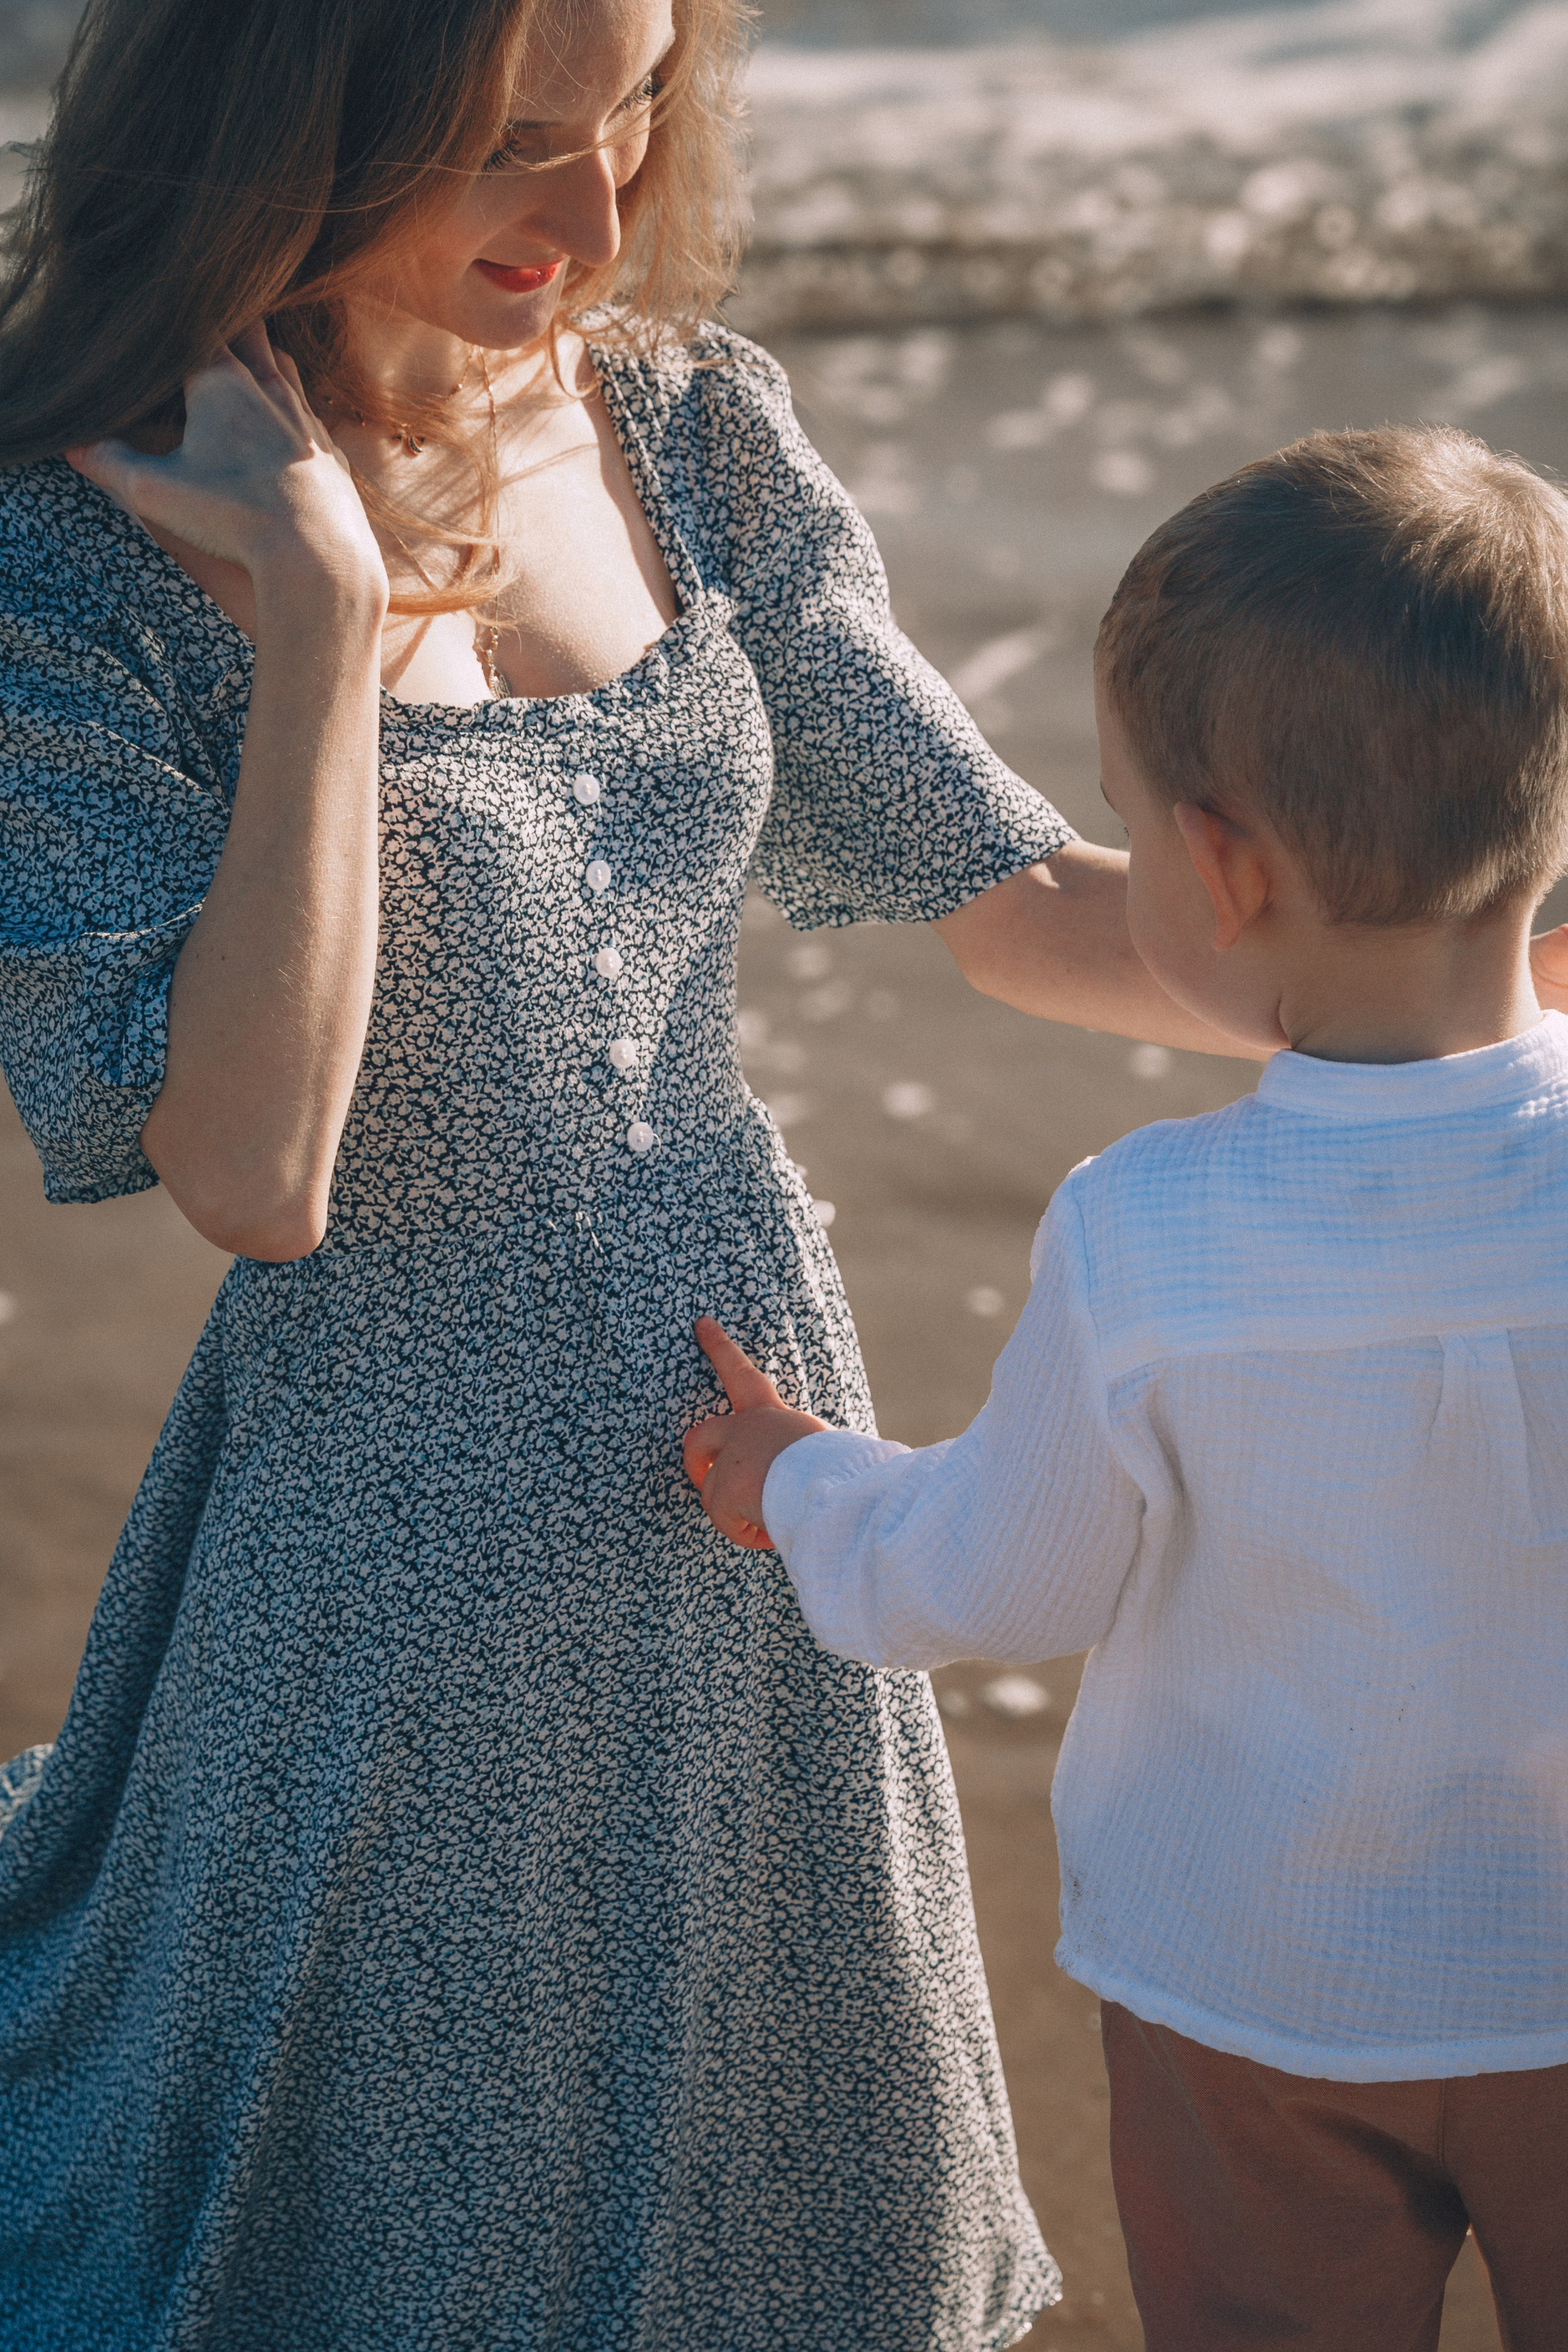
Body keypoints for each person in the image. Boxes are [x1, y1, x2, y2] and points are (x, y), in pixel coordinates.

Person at [0, 0, 1276, 2342]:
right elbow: (255, 1173)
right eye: (509, 146)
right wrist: (315, 619)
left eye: (636, 121)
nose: (594, 224)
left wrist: (1485, 981)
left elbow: (1025, 906)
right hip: (393, 1547)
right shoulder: (70, 550)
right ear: (300, 117)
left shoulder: (685, 430)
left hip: (750, 1461)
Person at [687, 425, 1568, 2352]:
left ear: (1225, 872)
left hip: (1254, 1992)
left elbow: (992, 1585)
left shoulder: (1155, 1231)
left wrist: (802, 1484)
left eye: (1130, 818)